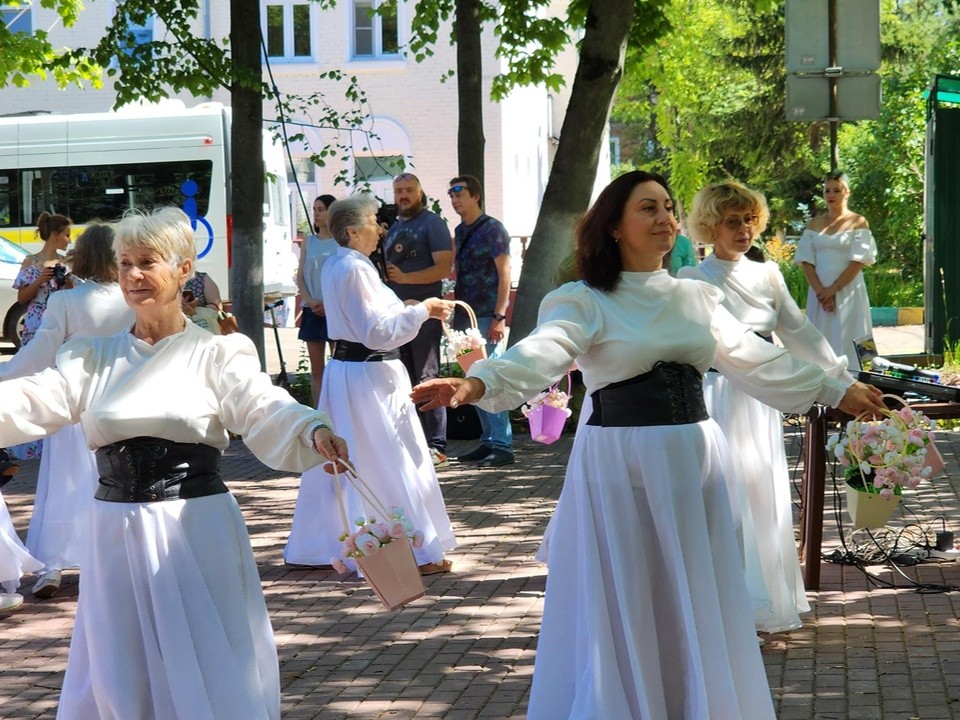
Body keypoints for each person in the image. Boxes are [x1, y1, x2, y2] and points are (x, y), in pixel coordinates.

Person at [411, 170, 884, 719]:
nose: (664, 219)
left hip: (695, 458)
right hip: (620, 461)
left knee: (697, 589)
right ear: (614, 226)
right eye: (648, 209)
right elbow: (542, 352)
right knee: (633, 595)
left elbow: (756, 358)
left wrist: (837, 386)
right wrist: (476, 383)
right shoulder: (583, 301)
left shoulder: (695, 296)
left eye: (668, 208)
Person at [0, 206, 348, 719]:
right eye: (123, 264)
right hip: (113, 533)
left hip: (193, 528)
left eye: (147, 262)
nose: (133, 276)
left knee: (206, 662)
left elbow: (260, 403)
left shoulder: (218, 353)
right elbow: (32, 398)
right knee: (121, 667)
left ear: (185, 268)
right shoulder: (90, 358)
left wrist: (309, 427)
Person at [681, 180, 857, 633]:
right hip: (712, 397)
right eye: (732, 221)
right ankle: (723, 607)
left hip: (761, 399)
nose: (744, 229)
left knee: (760, 492)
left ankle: (761, 600)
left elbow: (801, 334)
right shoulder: (692, 281)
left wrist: (842, 379)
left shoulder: (768, 275)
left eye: (749, 220)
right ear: (710, 226)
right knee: (722, 495)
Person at [285, 195, 457, 575]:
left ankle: (328, 541)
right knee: (390, 455)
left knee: (356, 456)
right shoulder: (357, 268)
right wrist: (423, 309)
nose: (381, 229)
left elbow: (367, 317)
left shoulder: (338, 263)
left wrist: (407, 306)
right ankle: (414, 549)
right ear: (351, 231)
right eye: (373, 222)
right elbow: (378, 332)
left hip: (348, 371)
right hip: (370, 375)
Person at [0, 223, 136, 598]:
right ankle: (116, 560)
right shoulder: (131, 299)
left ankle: (53, 566)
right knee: (115, 483)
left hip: (71, 405)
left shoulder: (66, 301)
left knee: (62, 484)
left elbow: (37, 355)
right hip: (121, 405)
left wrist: (3, 374)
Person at [384, 173, 453, 468]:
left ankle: (436, 446)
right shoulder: (392, 227)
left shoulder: (433, 223)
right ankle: (413, 442)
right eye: (399, 191)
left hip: (426, 313)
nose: (403, 195)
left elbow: (443, 268)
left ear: (420, 193)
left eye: (409, 190)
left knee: (428, 376)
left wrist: (407, 278)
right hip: (397, 316)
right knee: (404, 378)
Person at [447, 174, 515, 467]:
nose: (454, 199)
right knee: (473, 379)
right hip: (465, 316)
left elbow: (505, 274)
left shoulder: (494, 230)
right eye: (451, 194)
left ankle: (503, 445)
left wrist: (500, 316)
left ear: (476, 196)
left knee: (491, 378)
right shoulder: (460, 231)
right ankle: (487, 441)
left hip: (488, 316)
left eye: (460, 193)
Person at [6, 212, 73, 462]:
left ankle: (59, 438)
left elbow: (75, 293)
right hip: (36, 325)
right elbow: (22, 299)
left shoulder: (67, 262)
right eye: (66, 234)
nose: (69, 240)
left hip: (62, 326)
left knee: (59, 379)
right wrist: (40, 280)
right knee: (32, 379)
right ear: (54, 236)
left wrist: (65, 281)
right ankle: (30, 442)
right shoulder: (31, 262)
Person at [795, 170, 878, 369]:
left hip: (849, 289)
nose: (831, 195)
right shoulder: (814, 223)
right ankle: (821, 378)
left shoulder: (858, 222)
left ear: (846, 193)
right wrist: (821, 292)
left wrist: (833, 289)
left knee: (856, 331)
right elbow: (806, 260)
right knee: (820, 333)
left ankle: (865, 376)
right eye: (827, 191)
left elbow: (859, 260)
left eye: (836, 190)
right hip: (819, 291)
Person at [296, 194, 339, 407]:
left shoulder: (340, 242)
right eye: (314, 209)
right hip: (313, 309)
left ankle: (339, 409)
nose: (316, 213)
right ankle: (318, 412)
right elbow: (301, 276)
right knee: (317, 368)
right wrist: (310, 301)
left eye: (321, 209)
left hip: (336, 311)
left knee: (338, 365)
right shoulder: (308, 241)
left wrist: (330, 304)